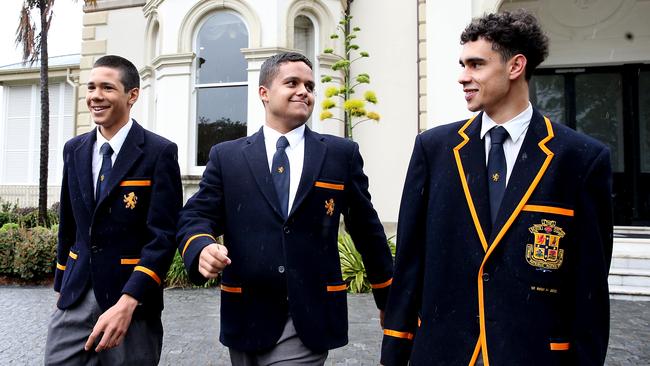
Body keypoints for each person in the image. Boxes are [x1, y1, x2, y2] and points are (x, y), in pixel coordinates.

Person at [381, 10, 613, 366]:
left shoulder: (580, 159)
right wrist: (396, 349)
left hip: (534, 355)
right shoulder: (434, 148)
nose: (462, 77)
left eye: (476, 65)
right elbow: (410, 260)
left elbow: (589, 286)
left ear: (515, 66)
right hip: (443, 352)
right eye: (462, 64)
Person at [177, 51, 393, 365]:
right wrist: (201, 247)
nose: (304, 90)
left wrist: (388, 296)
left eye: (309, 85)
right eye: (292, 82)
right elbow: (196, 215)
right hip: (245, 314)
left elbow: (368, 230)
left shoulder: (340, 154)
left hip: (310, 315)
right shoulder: (227, 157)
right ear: (264, 93)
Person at [44, 55, 183, 365]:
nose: (95, 95)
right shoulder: (74, 149)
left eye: (107, 87)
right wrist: (61, 286)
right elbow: (69, 226)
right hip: (76, 295)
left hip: (130, 300)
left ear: (132, 95)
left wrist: (130, 299)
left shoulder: (159, 152)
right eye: (91, 87)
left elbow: (162, 236)